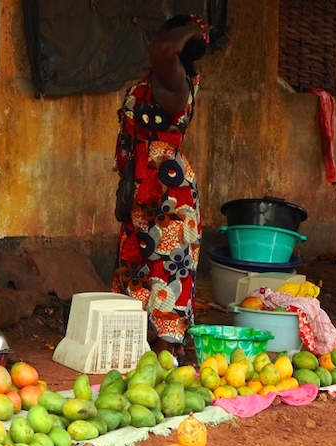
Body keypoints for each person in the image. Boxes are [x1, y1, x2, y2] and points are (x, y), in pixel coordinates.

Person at [111, 14, 210, 360]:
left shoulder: (174, 80)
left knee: (165, 272)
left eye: (164, 30)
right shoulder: (158, 79)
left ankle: (170, 351)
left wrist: (192, 30)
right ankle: (146, 350)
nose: (157, 36)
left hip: (167, 199)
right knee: (138, 271)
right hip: (144, 191)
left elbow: (164, 48)